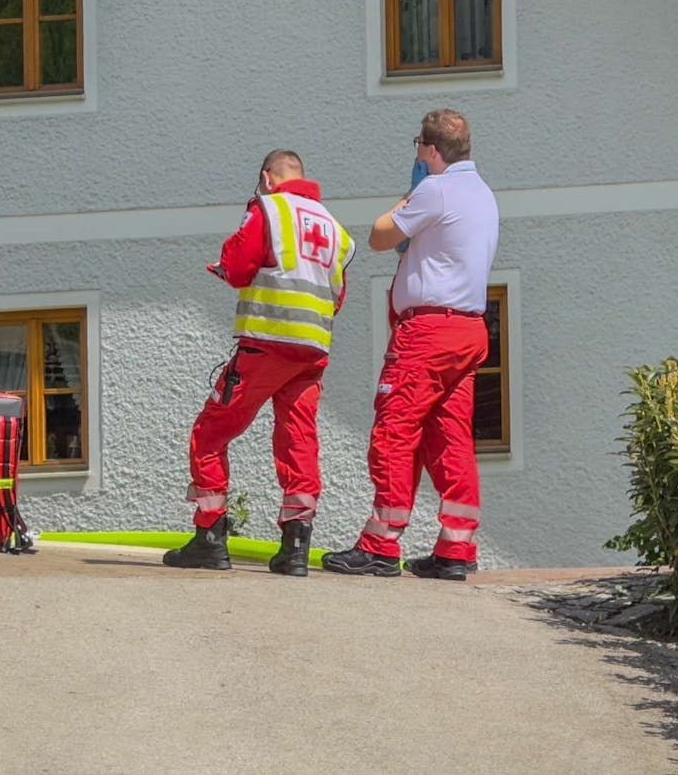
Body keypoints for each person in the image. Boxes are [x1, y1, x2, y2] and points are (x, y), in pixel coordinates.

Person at [322, 109, 499, 581]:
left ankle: (381, 544)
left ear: (431, 150)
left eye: (419, 146)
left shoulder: (434, 190)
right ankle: (456, 549)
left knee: (394, 428)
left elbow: (380, 237)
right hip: (468, 330)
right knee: (451, 436)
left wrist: (408, 195)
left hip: (427, 334)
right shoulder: (483, 194)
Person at [164, 150, 355, 576]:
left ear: (268, 178)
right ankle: (296, 547)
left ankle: (210, 536)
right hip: (312, 350)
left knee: (211, 430)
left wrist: (227, 266)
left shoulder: (267, 209)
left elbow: (238, 268)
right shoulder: (336, 230)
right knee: (298, 439)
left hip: (268, 342)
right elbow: (337, 297)